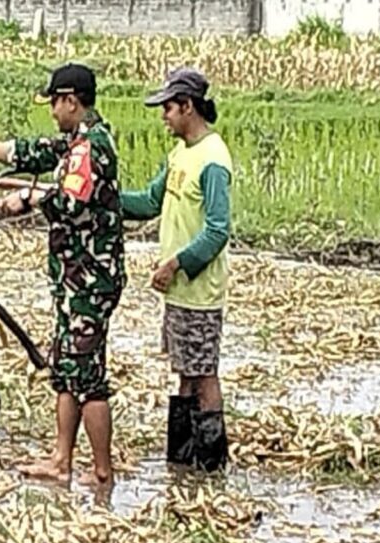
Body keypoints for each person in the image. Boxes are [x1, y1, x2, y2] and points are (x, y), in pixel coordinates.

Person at [0, 63, 126, 497]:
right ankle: (60, 459)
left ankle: (103, 473)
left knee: (89, 377)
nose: (51, 111)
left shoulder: (90, 148)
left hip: (90, 280)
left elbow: (68, 201)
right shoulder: (75, 142)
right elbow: (31, 152)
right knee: (66, 370)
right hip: (73, 280)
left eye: (54, 102)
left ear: (71, 101)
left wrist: (26, 199)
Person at [119, 67, 233, 473]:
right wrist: (102, 197)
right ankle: (182, 466)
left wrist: (176, 263)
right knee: (185, 372)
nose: (163, 115)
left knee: (203, 375)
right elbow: (151, 200)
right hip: (179, 293)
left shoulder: (213, 160)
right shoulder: (180, 154)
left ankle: (211, 465)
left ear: (188, 107)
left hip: (199, 293)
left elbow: (218, 229)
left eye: (168, 107)